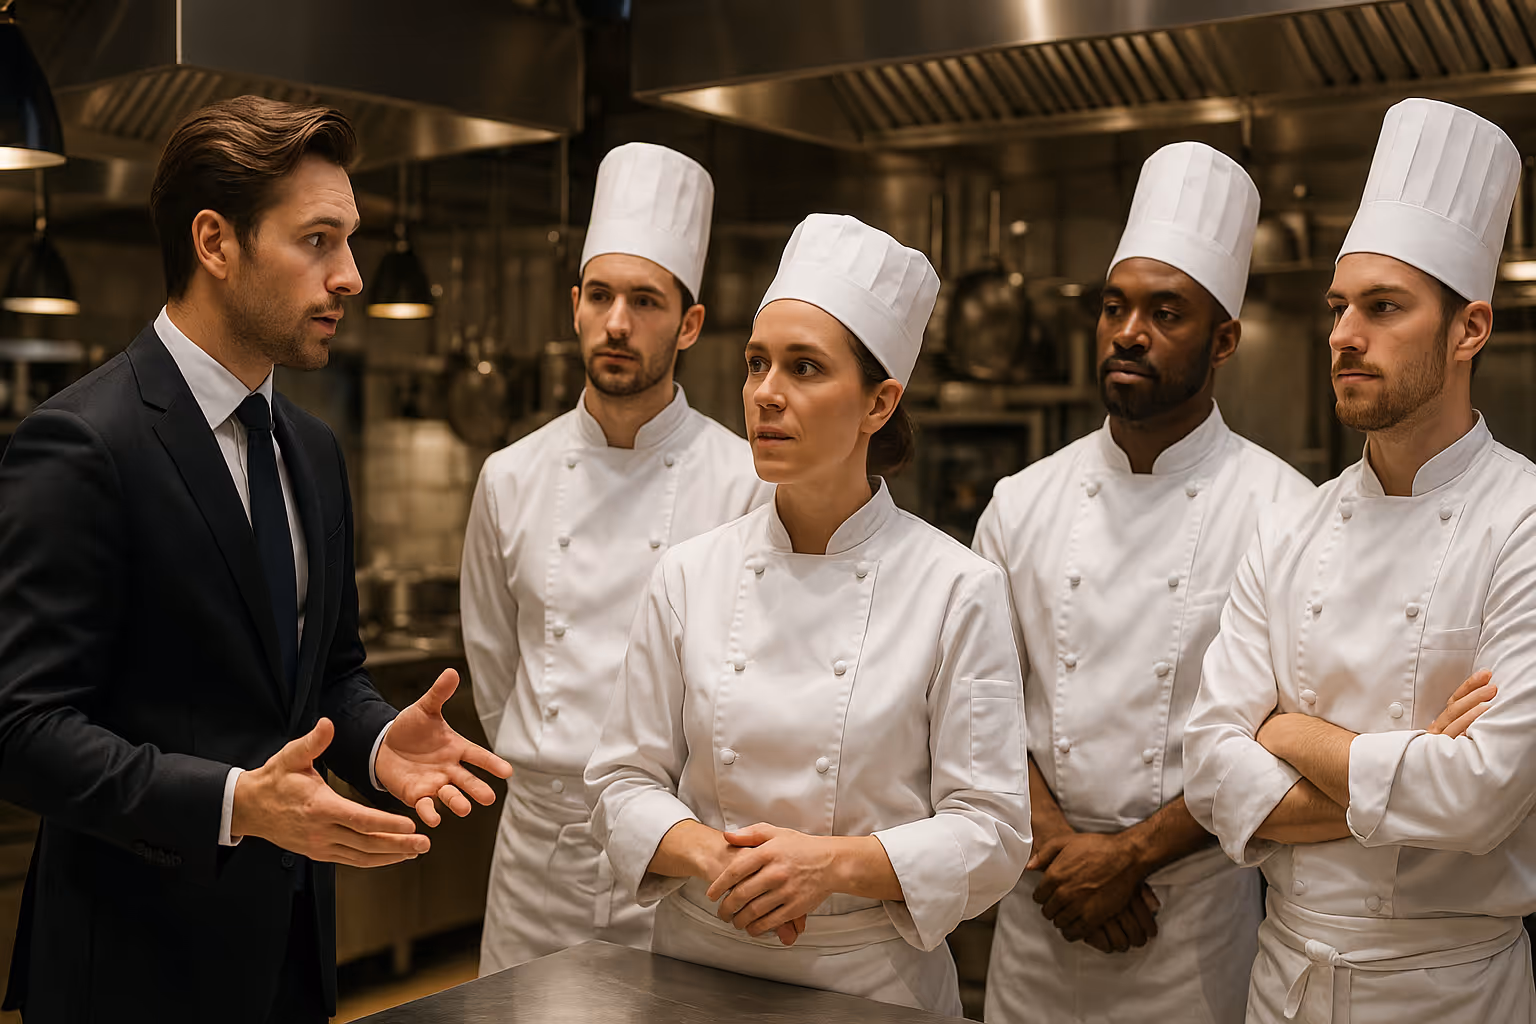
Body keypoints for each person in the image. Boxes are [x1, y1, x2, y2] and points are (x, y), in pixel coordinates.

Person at [0, 96, 511, 1024]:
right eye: (318, 240)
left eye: (350, 242)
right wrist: (236, 802)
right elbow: (24, 731)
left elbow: (328, 678)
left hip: (289, 960)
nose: (350, 275)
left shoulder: (310, 451)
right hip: (128, 974)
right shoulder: (82, 443)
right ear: (214, 241)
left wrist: (377, 738)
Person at [584, 213, 1030, 1017]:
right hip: (697, 967)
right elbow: (622, 780)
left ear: (879, 402)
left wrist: (828, 867)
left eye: (804, 368)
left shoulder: (957, 587)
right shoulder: (689, 574)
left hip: (869, 982)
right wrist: (722, 858)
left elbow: (991, 831)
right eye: (757, 364)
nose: (765, 394)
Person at [1183, 97, 1536, 1023]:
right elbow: (1213, 775)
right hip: (1285, 980)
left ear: (1469, 330)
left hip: (1452, 991)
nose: (1343, 333)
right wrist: (1411, 767)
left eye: (1384, 308)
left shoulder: (1525, 521)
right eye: (1339, 306)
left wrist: (1292, 736)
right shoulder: (1291, 527)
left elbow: (1482, 797)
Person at [976, 142, 1315, 1024]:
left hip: (1194, 925)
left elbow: (1279, 733)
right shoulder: (1021, 504)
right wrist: (1067, 854)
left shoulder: (1285, 512)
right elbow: (978, 705)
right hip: (1039, 910)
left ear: (1225, 339)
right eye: (1116, 307)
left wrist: (1130, 858)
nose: (1130, 332)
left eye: (1166, 313)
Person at [461, 142, 770, 975]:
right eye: (599, 296)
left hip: (678, 852)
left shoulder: (745, 480)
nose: (618, 323)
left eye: (645, 300)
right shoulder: (511, 476)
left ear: (691, 323)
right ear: (574, 306)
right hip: (538, 850)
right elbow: (495, 664)